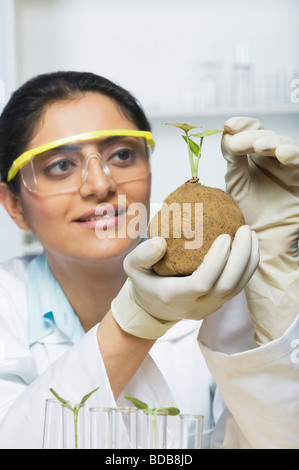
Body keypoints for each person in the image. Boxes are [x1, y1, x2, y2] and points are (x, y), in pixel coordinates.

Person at [0, 71, 298, 449]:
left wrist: (274, 278)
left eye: (122, 155)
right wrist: (134, 322)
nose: (100, 184)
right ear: (14, 206)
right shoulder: (5, 307)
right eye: (60, 165)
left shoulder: (217, 290)